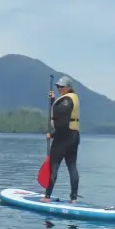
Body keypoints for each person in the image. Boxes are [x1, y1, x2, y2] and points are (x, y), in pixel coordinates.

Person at [41, 76, 80, 204]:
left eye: (61, 87)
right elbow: (61, 111)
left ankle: (47, 196)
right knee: (72, 166)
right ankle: (74, 198)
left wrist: (52, 135)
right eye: (58, 86)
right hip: (74, 136)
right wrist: (53, 100)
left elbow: (62, 121)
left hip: (63, 136)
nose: (59, 89)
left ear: (68, 87)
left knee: (54, 166)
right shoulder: (73, 98)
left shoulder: (67, 100)